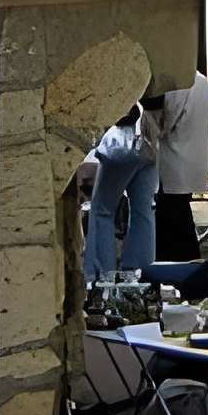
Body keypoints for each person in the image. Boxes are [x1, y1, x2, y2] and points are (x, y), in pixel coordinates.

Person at [82, 98, 159, 283]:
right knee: (143, 210)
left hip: (120, 140)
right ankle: (139, 271)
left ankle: (102, 275)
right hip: (147, 140)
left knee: (101, 211)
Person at [153, 70, 208, 263]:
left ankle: (178, 263)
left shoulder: (178, 83)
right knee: (179, 212)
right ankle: (184, 260)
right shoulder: (203, 82)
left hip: (174, 161)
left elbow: (163, 125)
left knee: (172, 217)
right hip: (193, 160)